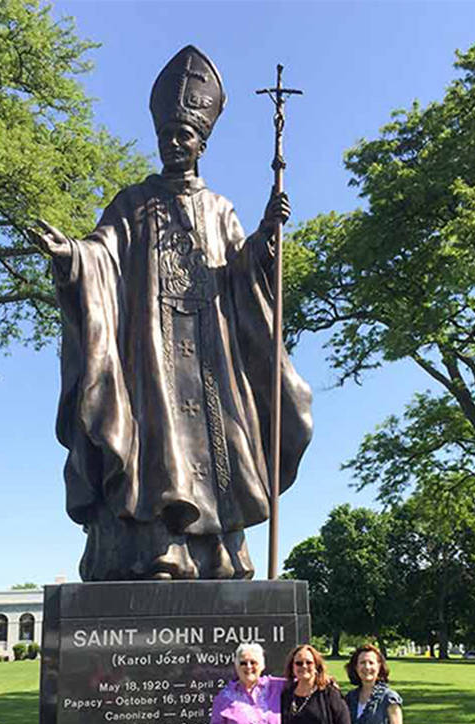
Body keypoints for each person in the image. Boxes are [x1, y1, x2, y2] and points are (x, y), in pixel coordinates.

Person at [29, 45, 312, 581]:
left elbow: (241, 271)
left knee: (225, 445)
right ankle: (161, 548)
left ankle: (224, 553)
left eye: (184, 136)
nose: (174, 145)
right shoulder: (132, 202)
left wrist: (266, 237)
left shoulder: (218, 207)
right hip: (152, 356)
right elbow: (103, 254)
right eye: (167, 137)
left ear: (201, 143)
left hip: (212, 357)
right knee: (157, 451)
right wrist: (71, 255)